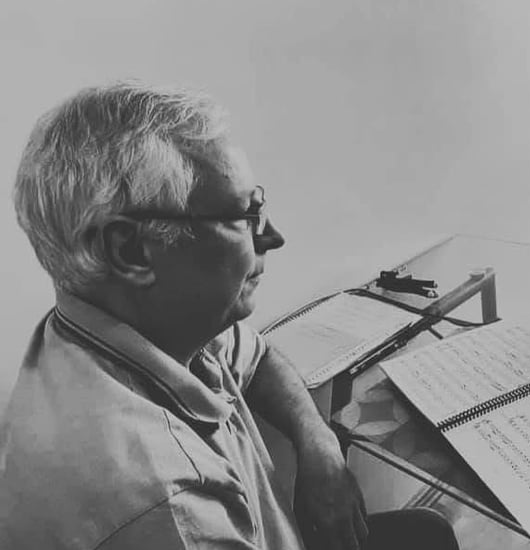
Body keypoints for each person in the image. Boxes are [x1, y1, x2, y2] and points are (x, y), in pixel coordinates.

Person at [0, 82, 458, 550]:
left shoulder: (143, 323)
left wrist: (316, 441)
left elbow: (258, 358)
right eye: (246, 214)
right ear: (132, 250)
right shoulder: (171, 506)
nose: (272, 236)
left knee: (428, 532)